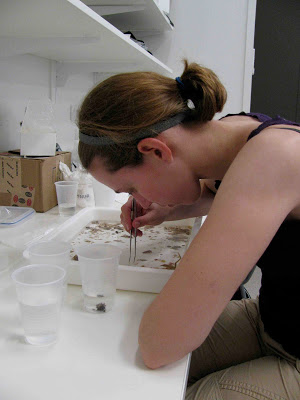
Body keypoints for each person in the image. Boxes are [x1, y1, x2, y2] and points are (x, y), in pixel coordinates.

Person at [78, 60, 300, 399]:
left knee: (184, 386)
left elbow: (160, 345)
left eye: (129, 188)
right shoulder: (234, 133)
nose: (136, 199)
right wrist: (169, 209)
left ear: (154, 150)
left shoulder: (274, 157)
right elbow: (221, 192)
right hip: (273, 321)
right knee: (119, 365)